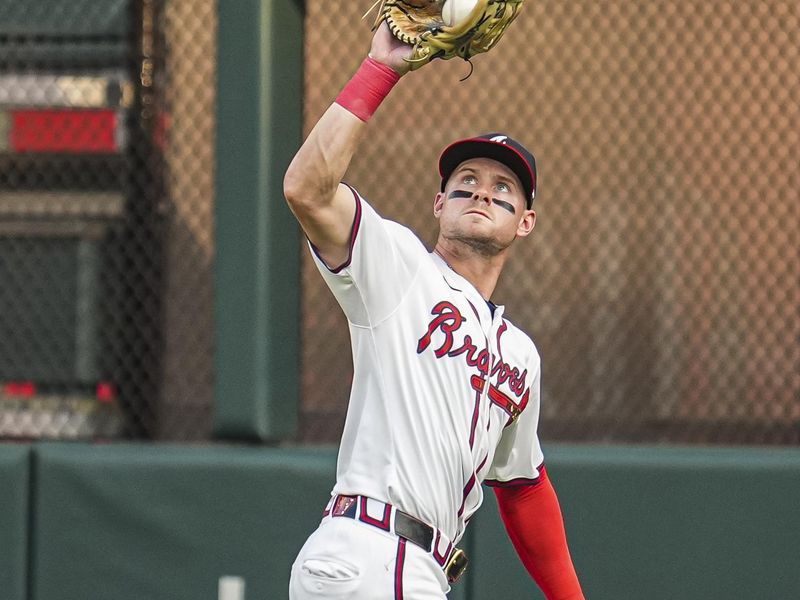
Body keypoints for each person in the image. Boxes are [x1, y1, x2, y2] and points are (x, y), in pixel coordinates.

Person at [284, 21, 585, 600]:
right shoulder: (397, 268)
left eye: (505, 187)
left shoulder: (519, 355)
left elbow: (523, 487)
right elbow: (307, 188)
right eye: (466, 180)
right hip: (370, 555)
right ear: (439, 203)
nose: (482, 190)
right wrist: (380, 70)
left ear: (526, 223)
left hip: (412, 571)